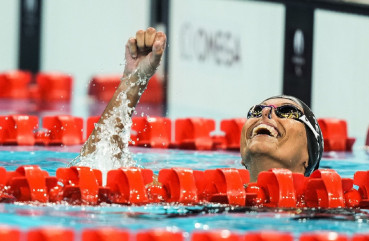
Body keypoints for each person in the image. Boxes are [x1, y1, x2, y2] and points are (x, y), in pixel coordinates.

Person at [80, 27, 323, 181]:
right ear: (242, 154)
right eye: (256, 111)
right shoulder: (198, 189)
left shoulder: (328, 212)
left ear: (307, 157)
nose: (266, 114)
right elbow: (93, 173)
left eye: (287, 112)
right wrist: (133, 82)